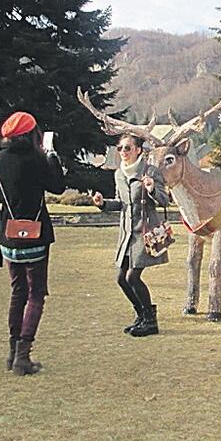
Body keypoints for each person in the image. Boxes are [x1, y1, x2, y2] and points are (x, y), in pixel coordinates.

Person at [0, 112, 64, 376]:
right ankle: (23, 355)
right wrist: (52, 156)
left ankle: (12, 353)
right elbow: (58, 186)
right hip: (35, 235)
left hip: (8, 235)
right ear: (32, 134)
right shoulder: (36, 160)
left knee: (18, 291)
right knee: (36, 294)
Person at [91, 133, 169, 337]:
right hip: (127, 234)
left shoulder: (150, 171)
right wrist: (103, 204)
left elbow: (164, 200)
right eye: (120, 148)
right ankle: (142, 315)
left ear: (138, 151)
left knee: (132, 277)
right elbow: (121, 203)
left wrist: (152, 189)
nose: (123, 152)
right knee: (121, 279)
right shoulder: (119, 174)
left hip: (145, 232)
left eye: (127, 148)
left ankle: (151, 322)